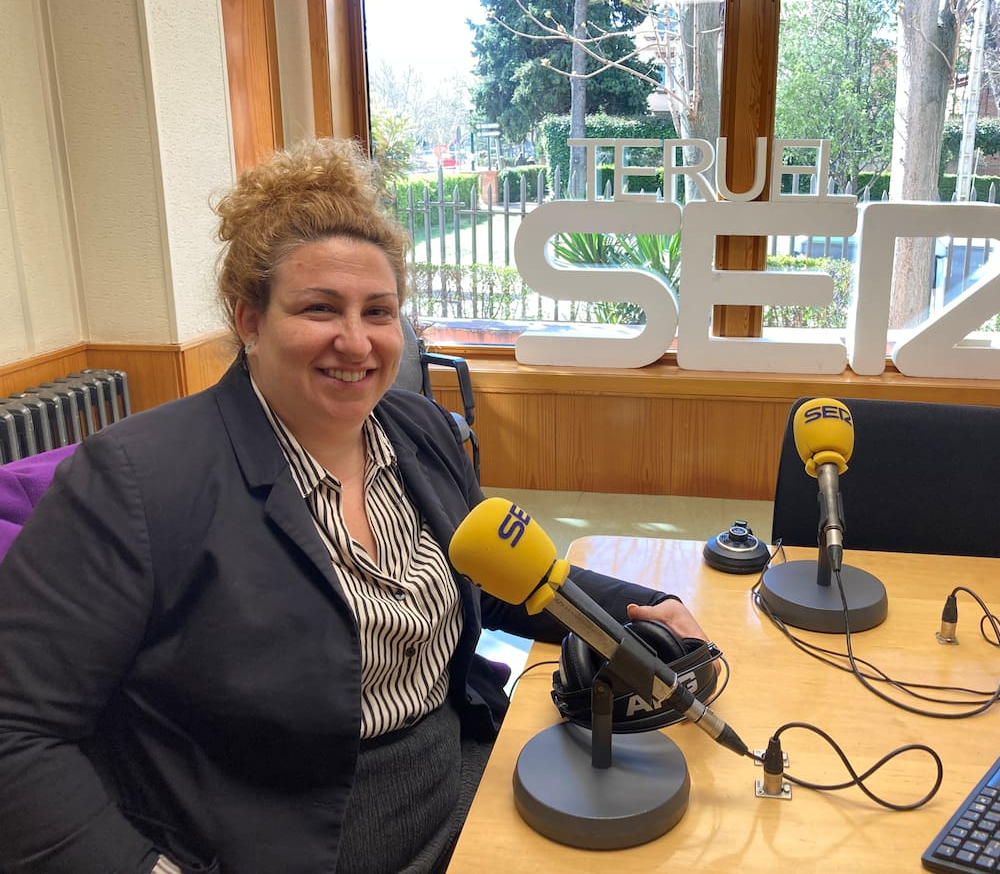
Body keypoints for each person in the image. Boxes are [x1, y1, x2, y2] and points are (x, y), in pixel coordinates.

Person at [0, 138, 705, 874]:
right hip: (286, 839)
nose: (356, 340)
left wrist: (647, 608)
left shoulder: (420, 433)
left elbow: (508, 582)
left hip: (458, 776)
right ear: (248, 320)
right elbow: (16, 733)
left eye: (378, 311)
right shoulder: (135, 481)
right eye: (318, 308)